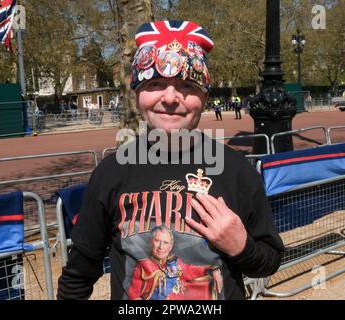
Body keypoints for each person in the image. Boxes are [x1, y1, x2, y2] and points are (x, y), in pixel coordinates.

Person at [57, 20, 284, 301]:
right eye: (155, 83)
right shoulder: (112, 173)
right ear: (138, 93)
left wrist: (241, 246)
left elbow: (269, 261)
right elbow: (79, 275)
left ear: (204, 96)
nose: (170, 98)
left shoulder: (236, 170)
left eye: (187, 85)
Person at [128, 226, 222, 300]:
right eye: (157, 241)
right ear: (151, 242)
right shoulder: (142, 266)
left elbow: (194, 270)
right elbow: (133, 294)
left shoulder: (175, 263)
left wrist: (214, 269)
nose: (161, 247)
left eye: (165, 243)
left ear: (170, 246)